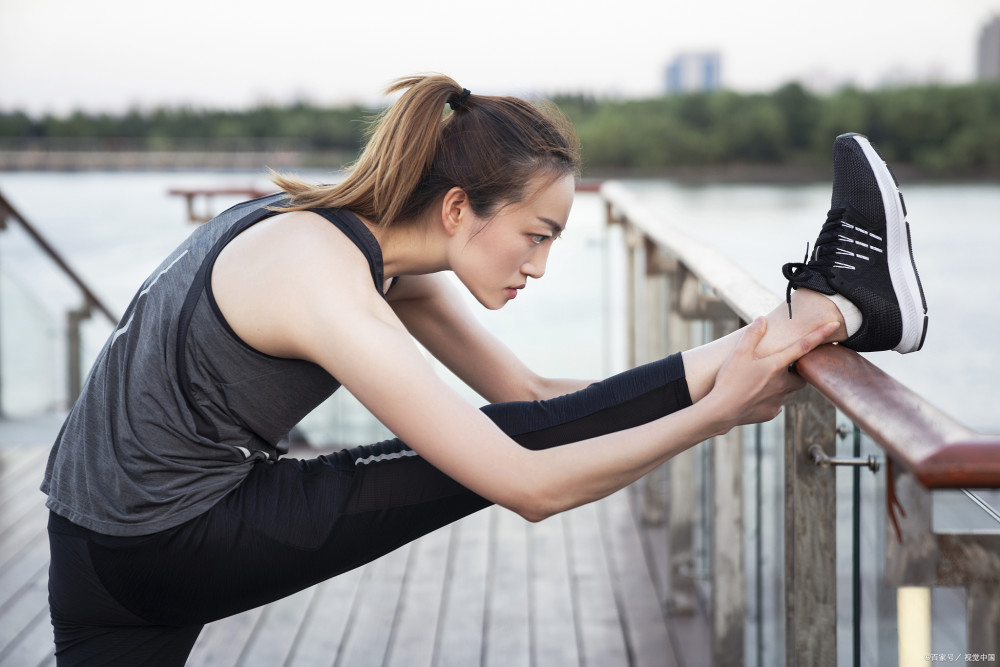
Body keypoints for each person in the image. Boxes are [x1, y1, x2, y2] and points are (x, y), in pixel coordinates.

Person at [41, 74, 927, 665]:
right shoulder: (319, 275)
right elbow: (524, 481)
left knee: (502, 430)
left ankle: (824, 311)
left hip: (91, 550)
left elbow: (530, 396)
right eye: (536, 235)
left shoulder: (360, 251)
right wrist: (714, 406)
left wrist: (739, 369)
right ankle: (830, 305)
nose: (539, 265)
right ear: (459, 207)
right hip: (163, 533)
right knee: (463, 458)